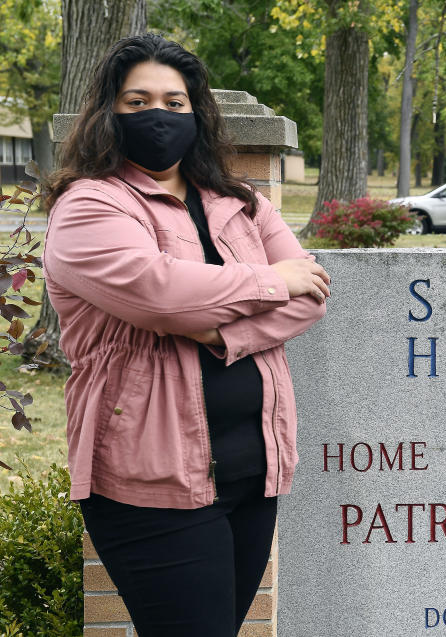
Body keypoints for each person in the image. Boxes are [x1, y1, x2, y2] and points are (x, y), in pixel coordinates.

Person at [42, 34, 330, 636]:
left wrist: (223, 335)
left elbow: (311, 298)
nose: (159, 115)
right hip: (153, 482)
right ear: (109, 112)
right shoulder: (88, 207)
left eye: (176, 103)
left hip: (254, 471)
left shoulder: (241, 202)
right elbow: (159, 291)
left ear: (196, 113)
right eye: (138, 100)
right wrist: (271, 279)